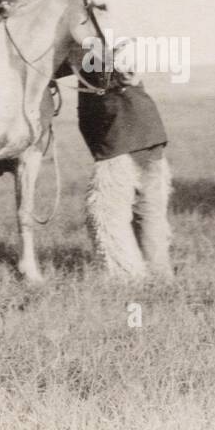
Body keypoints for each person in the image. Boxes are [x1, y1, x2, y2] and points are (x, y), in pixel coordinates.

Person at [76, 40, 173, 280]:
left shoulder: (91, 45)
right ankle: (160, 275)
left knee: (106, 213)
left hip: (120, 138)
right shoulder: (117, 40)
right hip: (149, 133)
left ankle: (127, 278)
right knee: (149, 209)